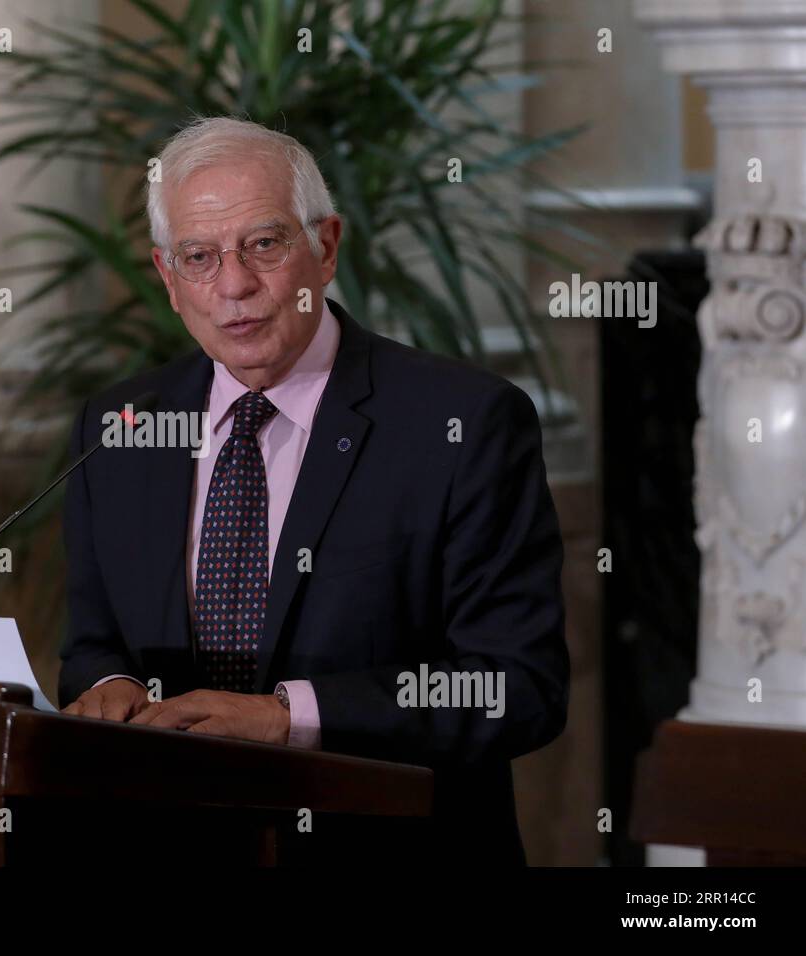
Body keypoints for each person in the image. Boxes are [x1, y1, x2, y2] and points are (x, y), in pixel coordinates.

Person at [58, 118, 569, 864]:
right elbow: (93, 641)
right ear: (169, 280)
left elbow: (514, 688)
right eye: (199, 257)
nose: (234, 286)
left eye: (264, 244)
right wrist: (108, 685)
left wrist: (287, 716)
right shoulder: (121, 428)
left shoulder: (460, 423)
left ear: (325, 248)